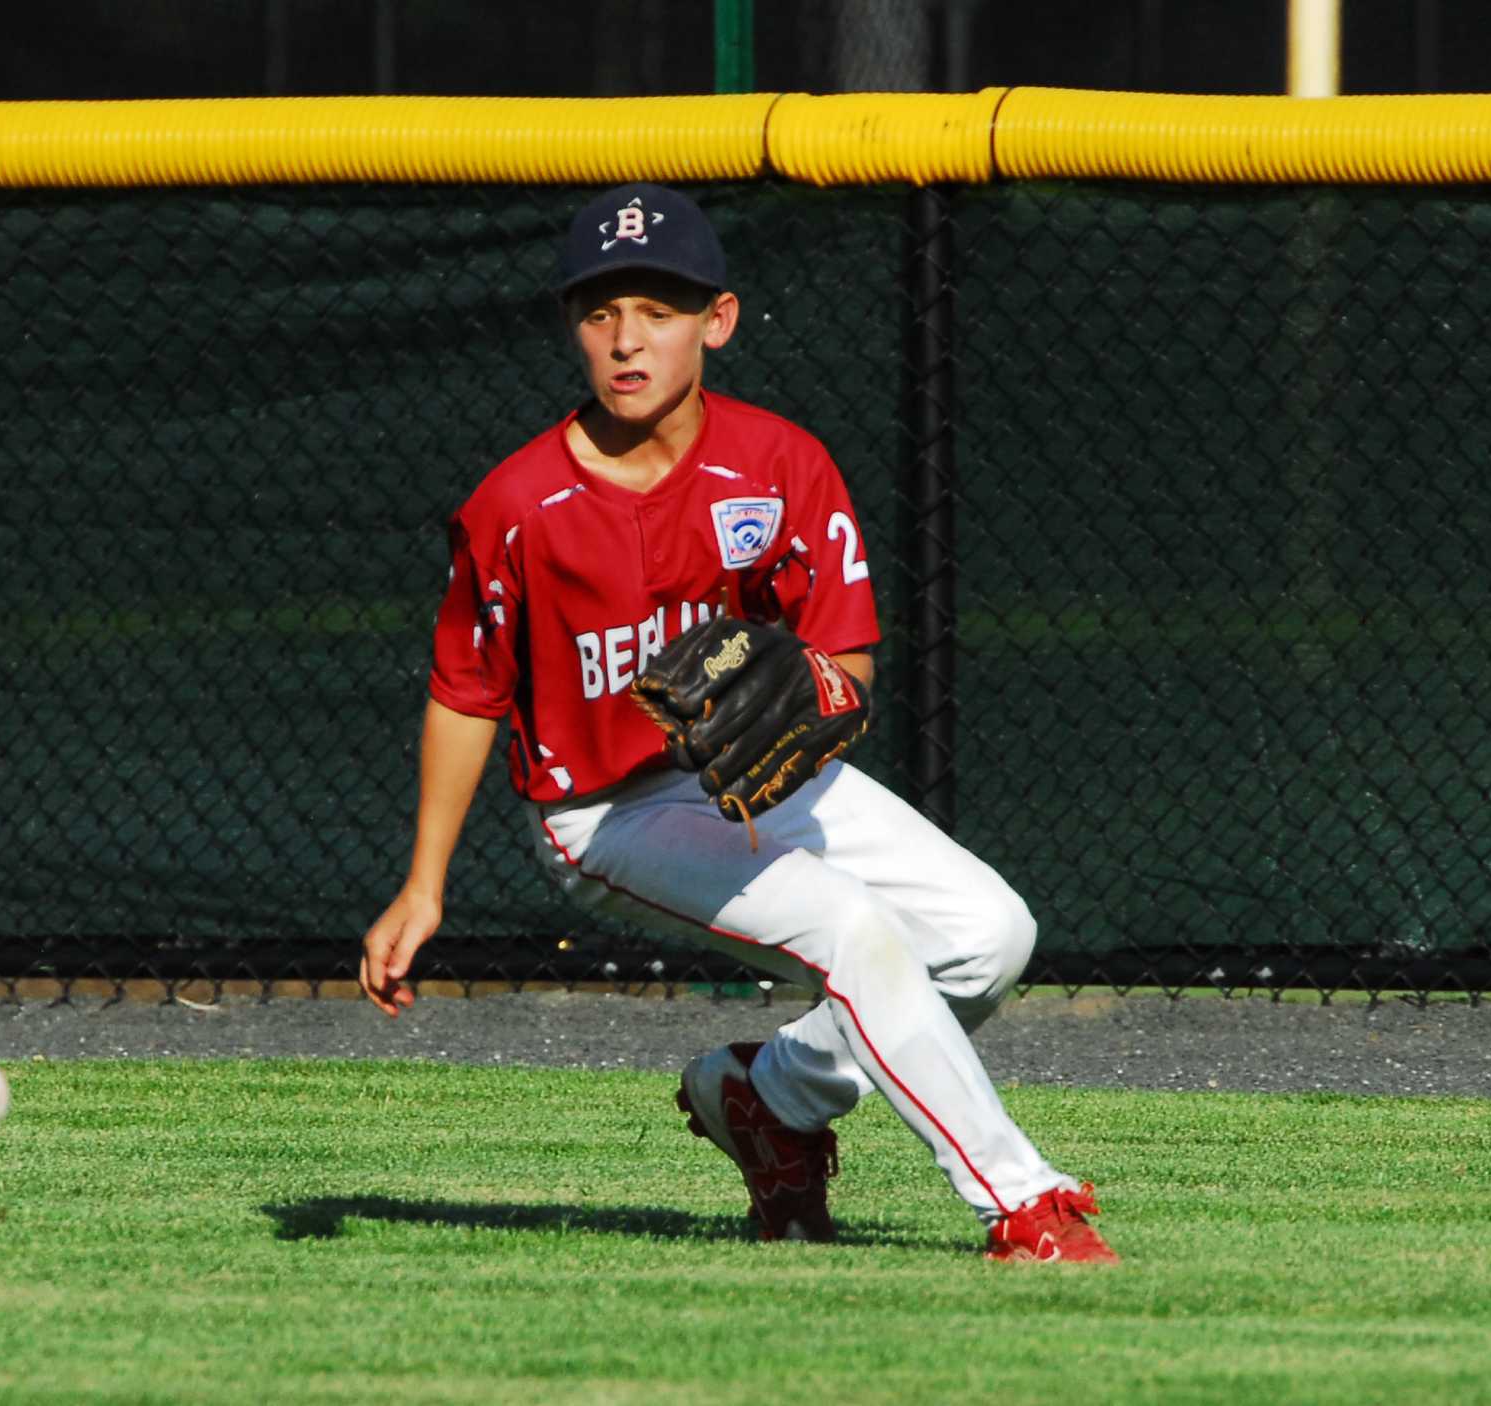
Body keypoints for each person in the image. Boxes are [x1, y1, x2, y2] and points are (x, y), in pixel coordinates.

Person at [358, 183, 1117, 1265]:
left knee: (989, 936)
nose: (627, 340)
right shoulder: (516, 505)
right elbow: (466, 688)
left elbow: (845, 660)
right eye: (600, 311)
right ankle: (1021, 1199)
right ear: (572, 325)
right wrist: (422, 882)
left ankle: (768, 1096)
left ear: (715, 320)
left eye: (658, 311)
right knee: (856, 933)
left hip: (752, 783)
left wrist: (810, 700)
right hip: (605, 810)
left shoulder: (778, 465)